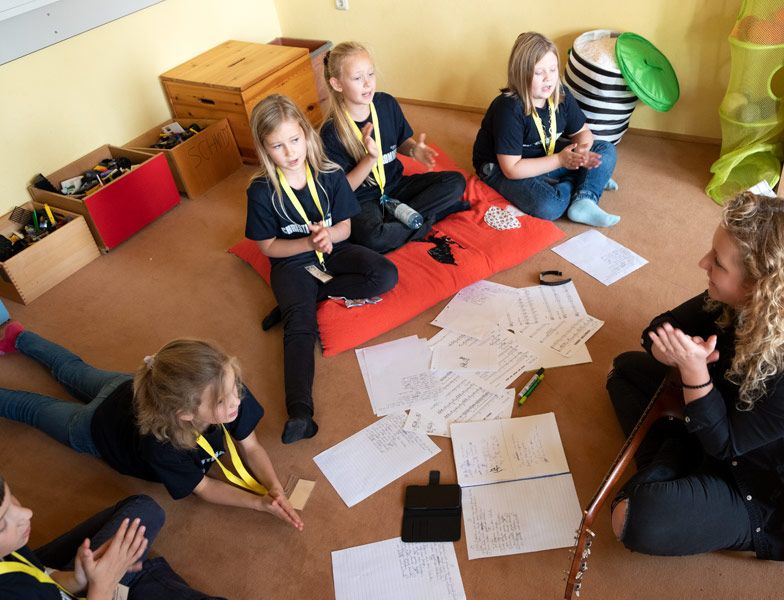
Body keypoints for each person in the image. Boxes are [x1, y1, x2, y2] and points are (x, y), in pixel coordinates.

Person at [605, 192, 784, 561]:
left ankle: (675, 452)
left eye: (718, 263)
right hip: (723, 417)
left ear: (760, 284)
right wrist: (670, 351)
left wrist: (693, 371)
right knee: (622, 371)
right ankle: (681, 446)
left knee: (629, 519)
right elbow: (659, 328)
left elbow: (725, 445)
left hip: (765, 485)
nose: (703, 262)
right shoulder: (740, 298)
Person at [0, 326, 302, 530]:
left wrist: (273, 486)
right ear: (185, 414)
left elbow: (251, 445)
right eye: (224, 400)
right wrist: (258, 504)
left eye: (235, 387)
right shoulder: (162, 445)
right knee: (32, 409)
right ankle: (17, 338)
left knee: (72, 369)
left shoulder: (224, 390)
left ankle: (18, 336)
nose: (237, 399)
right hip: (93, 428)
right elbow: (206, 488)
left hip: (122, 387)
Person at [245, 94, 398, 444]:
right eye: (278, 146)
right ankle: (300, 413)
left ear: (306, 133)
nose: (290, 152)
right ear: (265, 149)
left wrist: (329, 237)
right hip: (292, 262)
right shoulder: (260, 192)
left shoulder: (329, 173)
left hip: (334, 249)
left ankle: (304, 297)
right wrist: (308, 244)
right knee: (300, 326)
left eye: (295, 140)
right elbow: (267, 247)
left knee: (385, 275)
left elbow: (345, 226)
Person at [319, 41, 469, 254]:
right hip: (364, 199)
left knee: (455, 182)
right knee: (373, 238)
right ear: (337, 84)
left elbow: (402, 141)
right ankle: (425, 218)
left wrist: (415, 150)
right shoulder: (331, 132)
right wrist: (369, 160)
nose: (367, 83)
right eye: (357, 78)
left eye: (371, 74)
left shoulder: (386, 104)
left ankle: (398, 221)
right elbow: (341, 191)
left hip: (396, 185)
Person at [472, 32, 619, 227]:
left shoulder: (560, 94)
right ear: (521, 74)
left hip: (544, 152)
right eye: (539, 72)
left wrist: (582, 152)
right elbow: (511, 169)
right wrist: (560, 160)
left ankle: (585, 198)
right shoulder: (508, 108)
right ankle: (586, 181)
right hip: (503, 168)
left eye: (553, 69)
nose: (548, 78)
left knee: (606, 149)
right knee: (549, 206)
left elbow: (583, 132)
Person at [0, 473, 223, 599]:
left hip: (64, 588)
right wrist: (102, 587)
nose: (26, 513)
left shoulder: (13, 546)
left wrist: (79, 578)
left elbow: (42, 577)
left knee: (145, 510)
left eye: (12, 498)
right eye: (2, 523)